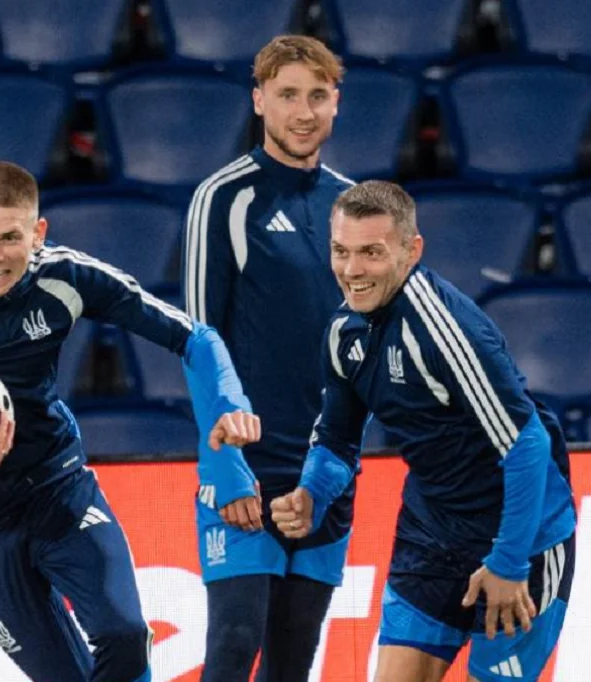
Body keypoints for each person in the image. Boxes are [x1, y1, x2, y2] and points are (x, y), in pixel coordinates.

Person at [0, 160, 262, 682]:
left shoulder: (67, 276)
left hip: (56, 486)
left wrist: (228, 403)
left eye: (9, 238)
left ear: (38, 233)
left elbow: (195, 338)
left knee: (124, 636)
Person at [270, 181, 577, 682]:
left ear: (411, 251)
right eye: (341, 251)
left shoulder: (443, 328)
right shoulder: (343, 333)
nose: (352, 270)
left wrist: (509, 562)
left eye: (371, 252)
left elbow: (527, 446)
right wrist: (311, 493)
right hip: (431, 534)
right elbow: (337, 440)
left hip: (523, 538)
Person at [181, 34, 354, 681]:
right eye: (286, 95)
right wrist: (224, 466)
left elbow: (363, 348)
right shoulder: (223, 198)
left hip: (324, 473)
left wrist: (335, 466)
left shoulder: (352, 206)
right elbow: (199, 340)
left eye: (316, 96)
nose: (303, 112)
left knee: (291, 662)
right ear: (258, 101)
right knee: (233, 642)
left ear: (336, 102)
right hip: (246, 466)